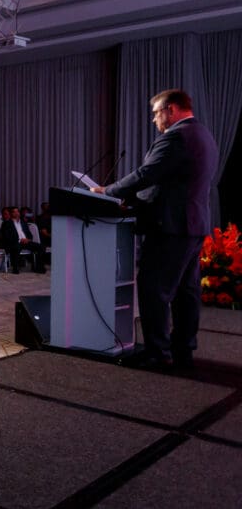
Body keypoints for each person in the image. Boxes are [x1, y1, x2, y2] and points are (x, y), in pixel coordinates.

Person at [92, 89, 218, 369]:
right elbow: (174, 184)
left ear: (170, 110)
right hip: (192, 225)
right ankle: (183, 348)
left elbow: (147, 174)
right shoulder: (204, 135)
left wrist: (108, 191)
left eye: (156, 113)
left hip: (170, 227)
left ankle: (158, 353)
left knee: (154, 289)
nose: (153, 120)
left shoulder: (176, 136)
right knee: (186, 292)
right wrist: (138, 201)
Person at [0, 207, 45, 275]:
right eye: (14, 212)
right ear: (11, 214)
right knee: (16, 247)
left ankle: (38, 267)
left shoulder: (23, 222)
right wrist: (20, 240)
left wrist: (28, 239)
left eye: (17, 211)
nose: (16, 213)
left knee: (41, 247)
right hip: (15, 242)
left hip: (25, 242)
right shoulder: (6, 223)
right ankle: (15, 268)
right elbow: (7, 237)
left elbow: (29, 234)